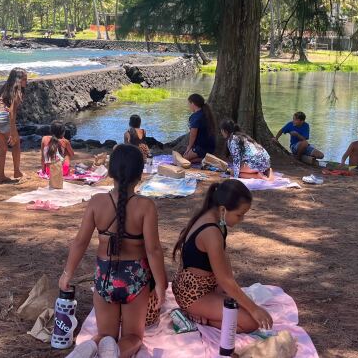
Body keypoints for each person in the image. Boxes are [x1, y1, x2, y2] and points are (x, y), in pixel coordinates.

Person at [59, 145, 167, 358]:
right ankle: (115, 353)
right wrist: (161, 284)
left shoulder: (97, 202)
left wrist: (67, 274)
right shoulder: (146, 206)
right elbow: (153, 250)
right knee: (134, 337)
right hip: (135, 278)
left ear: (110, 173)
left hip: (104, 276)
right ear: (140, 174)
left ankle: (87, 349)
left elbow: (80, 241)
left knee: (105, 334)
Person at [171, 180, 273, 334]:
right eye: (239, 215)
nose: (241, 220)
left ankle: (205, 314)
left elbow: (224, 263)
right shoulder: (211, 232)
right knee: (251, 322)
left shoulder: (217, 221)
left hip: (206, 288)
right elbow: (226, 280)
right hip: (193, 295)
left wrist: (232, 294)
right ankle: (197, 317)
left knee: (240, 305)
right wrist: (254, 309)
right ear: (223, 209)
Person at [0, 67, 27, 183]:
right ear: (18, 80)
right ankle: (16, 171)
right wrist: (13, 132)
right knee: (16, 144)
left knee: (3, 148)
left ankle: (1, 176)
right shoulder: (17, 91)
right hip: (3, 117)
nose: (26, 82)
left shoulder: (5, 87)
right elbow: (11, 112)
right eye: (24, 79)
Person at [179, 94, 217, 165]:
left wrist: (189, 147)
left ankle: (207, 160)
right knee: (187, 157)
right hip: (211, 146)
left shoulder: (195, 117)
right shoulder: (206, 113)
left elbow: (193, 134)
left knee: (184, 159)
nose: (188, 106)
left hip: (202, 147)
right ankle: (206, 159)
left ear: (193, 103)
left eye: (189, 104)